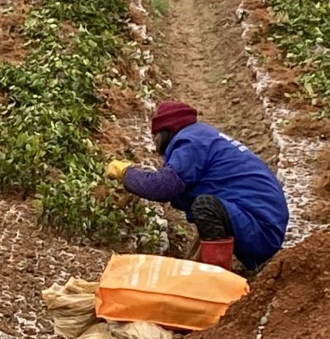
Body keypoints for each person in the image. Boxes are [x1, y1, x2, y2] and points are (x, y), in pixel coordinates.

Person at [105, 100, 289, 270]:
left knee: (205, 207)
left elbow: (163, 187)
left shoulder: (190, 141)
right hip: (262, 222)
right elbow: (180, 192)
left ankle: (216, 280)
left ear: (165, 132)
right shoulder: (202, 135)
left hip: (262, 230)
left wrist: (127, 173)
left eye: (156, 137)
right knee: (203, 205)